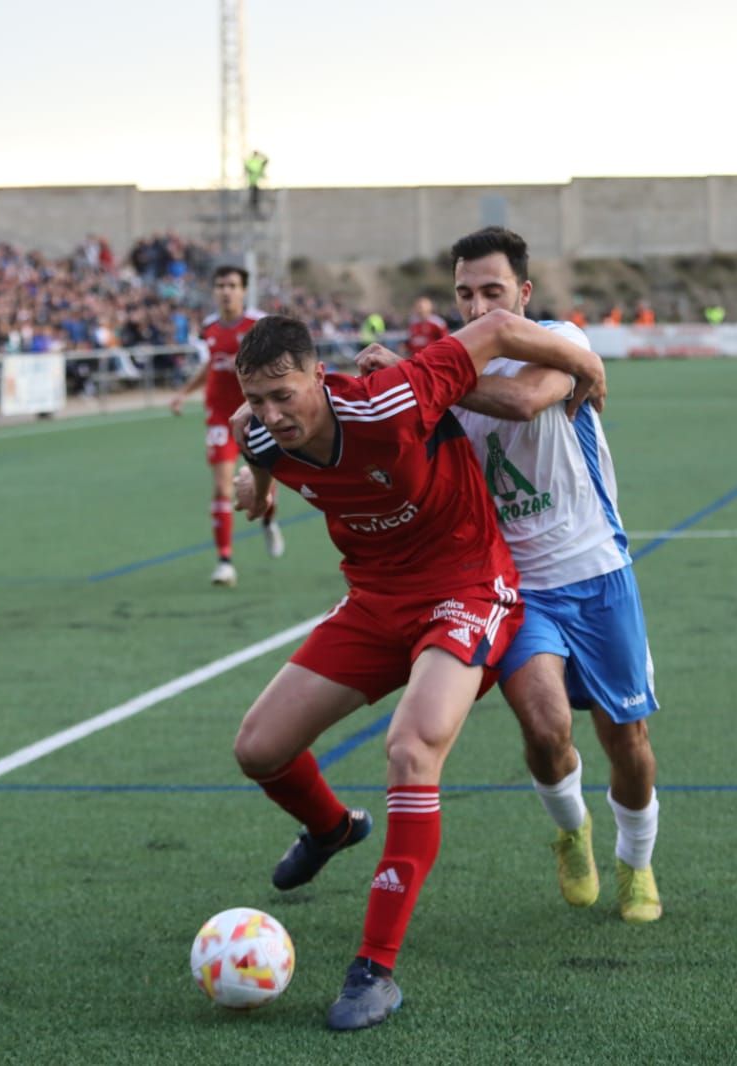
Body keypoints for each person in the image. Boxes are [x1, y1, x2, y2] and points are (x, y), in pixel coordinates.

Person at [228, 308, 605, 1031]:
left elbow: (494, 328)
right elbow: (255, 446)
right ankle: (334, 830)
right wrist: (262, 485)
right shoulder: (258, 431)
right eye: (259, 399)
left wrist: (584, 365)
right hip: (374, 601)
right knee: (259, 748)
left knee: (411, 746)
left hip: (467, 587)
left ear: (319, 376)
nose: (273, 414)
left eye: (286, 394)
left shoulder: (390, 398)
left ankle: (374, 968)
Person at [357, 225, 663, 923]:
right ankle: (572, 831)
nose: (478, 309)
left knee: (628, 741)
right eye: (465, 294)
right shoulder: (442, 366)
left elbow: (526, 399)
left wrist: (422, 380)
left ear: (523, 294)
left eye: (492, 292)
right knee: (545, 726)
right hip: (517, 587)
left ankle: (637, 861)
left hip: (597, 572)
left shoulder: (560, 338)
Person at [169, 265, 281, 585]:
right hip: (219, 413)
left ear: (243, 290)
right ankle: (225, 561)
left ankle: (269, 521)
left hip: (256, 413)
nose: (226, 291)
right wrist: (182, 394)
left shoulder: (258, 324)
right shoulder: (209, 327)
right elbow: (210, 366)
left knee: (264, 487)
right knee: (222, 485)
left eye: (232, 285)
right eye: (220, 285)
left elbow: (277, 365)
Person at [245, 150, 269, 217]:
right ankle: (253, 210)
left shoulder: (255, 161)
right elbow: (247, 168)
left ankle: (254, 209)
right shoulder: (251, 161)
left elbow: (266, 160)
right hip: (253, 183)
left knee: (255, 198)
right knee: (254, 198)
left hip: (257, 183)